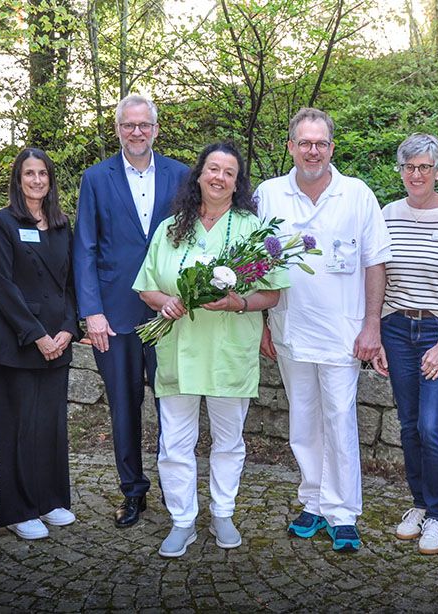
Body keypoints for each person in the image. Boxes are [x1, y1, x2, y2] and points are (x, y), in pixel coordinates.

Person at [132, 142, 288, 557]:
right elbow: (147, 284)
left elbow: (271, 294)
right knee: (175, 443)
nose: (218, 177)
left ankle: (223, 511)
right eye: (212, 169)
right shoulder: (171, 228)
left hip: (227, 349)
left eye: (229, 172)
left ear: (237, 184)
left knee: (228, 440)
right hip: (178, 347)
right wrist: (162, 301)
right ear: (198, 175)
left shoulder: (253, 230)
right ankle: (182, 520)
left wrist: (239, 302)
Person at [255, 108, 392, 552]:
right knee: (303, 421)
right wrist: (262, 324)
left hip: (343, 333)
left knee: (339, 419)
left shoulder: (356, 194)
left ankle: (344, 512)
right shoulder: (268, 195)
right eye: (305, 142)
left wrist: (372, 324)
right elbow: (253, 265)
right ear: (291, 146)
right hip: (290, 329)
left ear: (332, 148)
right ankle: (313, 501)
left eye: (321, 143)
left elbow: (376, 261)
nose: (313, 150)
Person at [73, 94, 190, 527]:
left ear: (156, 129)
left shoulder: (181, 175)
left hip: (168, 312)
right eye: (128, 125)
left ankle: (176, 490)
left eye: (144, 125)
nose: (136, 132)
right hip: (115, 314)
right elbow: (84, 247)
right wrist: (92, 312)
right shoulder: (96, 178)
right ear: (118, 129)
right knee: (124, 407)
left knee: (172, 407)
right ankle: (133, 492)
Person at [371, 133, 438, 555]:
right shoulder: (387, 214)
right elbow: (377, 276)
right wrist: (374, 332)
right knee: (408, 424)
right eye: (409, 167)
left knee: (432, 425)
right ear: (401, 171)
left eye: (425, 167)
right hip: (396, 329)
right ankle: (418, 504)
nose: (416, 174)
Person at [0, 148, 81, 540]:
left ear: (51, 180)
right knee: (19, 428)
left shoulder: (61, 225)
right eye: (29, 173)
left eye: (43, 173)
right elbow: (2, 285)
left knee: (51, 427)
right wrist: (38, 335)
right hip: (18, 344)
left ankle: (50, 500)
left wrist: (69, 329)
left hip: (58, 341)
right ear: (18, 179)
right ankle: (19, 509)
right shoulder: (0, 223)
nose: (37, 180)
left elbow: (71, 283)